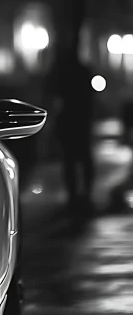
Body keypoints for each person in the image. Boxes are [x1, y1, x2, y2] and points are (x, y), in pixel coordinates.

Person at [48, 49, 95, 212]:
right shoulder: (83, 71)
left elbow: (55, 97)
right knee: (83, 158)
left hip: (69, 120)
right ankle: (84, 195)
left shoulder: (62, 74)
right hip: (81, 119)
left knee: (71, 160)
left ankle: (74, 196)